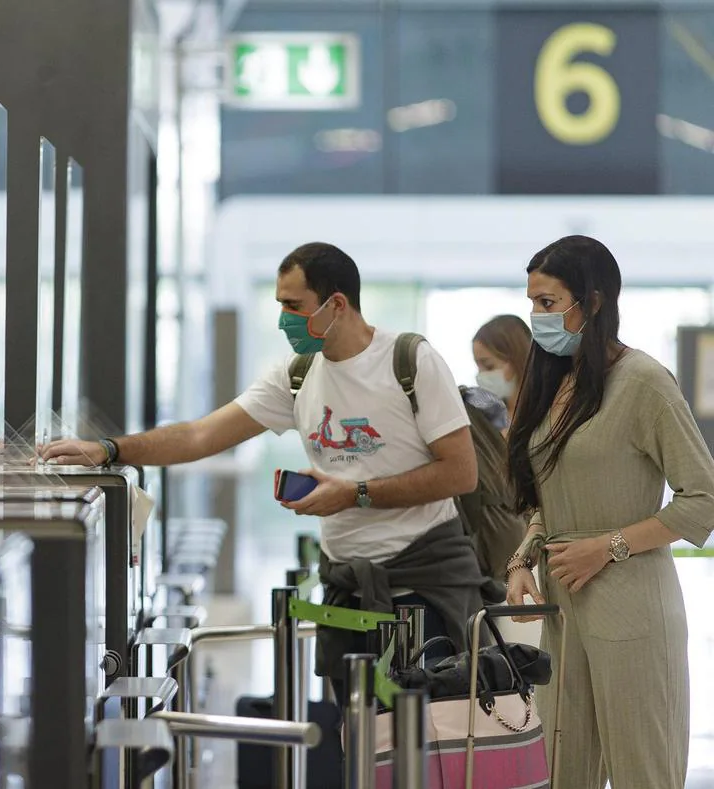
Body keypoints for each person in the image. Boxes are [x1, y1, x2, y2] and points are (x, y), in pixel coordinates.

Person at [41, 242, 497, 697]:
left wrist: (356, 493)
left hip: (425, 590)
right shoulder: (296, 375)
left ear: (336, 304)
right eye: (279, 305)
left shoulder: (411, 361)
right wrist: (108, 449)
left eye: (294, 306)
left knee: (427, 744)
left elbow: (460, 474)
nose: (283, 320)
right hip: (347, 588)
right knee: (357, 745)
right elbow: (201, 435)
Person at [504, 235, 714, 788]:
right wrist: (523, 558)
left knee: (642, 773)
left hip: (634, 612)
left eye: (548, 303)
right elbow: (551, 500)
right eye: (532, 303)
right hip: (565, 613)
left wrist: (609, 546)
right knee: (563, 774)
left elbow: (704, 497)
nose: (536, 316)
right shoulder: (555, 385)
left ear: (593, 303)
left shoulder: (644, 383)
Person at [473, 314, 532, 431]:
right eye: (478, 366)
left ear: (516, 360)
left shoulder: (546, 413)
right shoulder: (486, 417)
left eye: (489, 366)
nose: (480, 376)